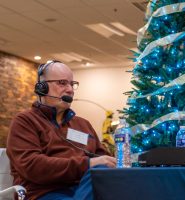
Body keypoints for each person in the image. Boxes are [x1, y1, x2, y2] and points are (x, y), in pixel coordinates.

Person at [6, 60, 116, 200]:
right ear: (42, 88)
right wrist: (87, 164)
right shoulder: (25, 121)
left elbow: (102, 160)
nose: (70, 89)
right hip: (45, 193)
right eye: (62, 83)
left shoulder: (83, 124)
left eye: (72, 84)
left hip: (84, 188)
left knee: (105, 174)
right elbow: (32, 166)